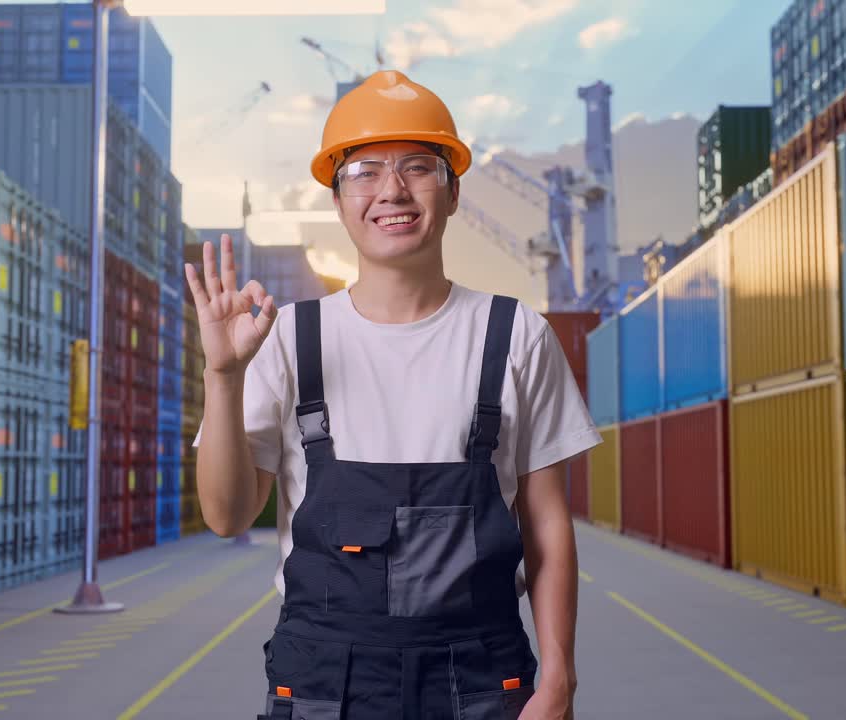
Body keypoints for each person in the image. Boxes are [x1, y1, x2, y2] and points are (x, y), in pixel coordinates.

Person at [187, 70, 600, 720]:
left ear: (454, 190)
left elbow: (547, 524)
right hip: (326, 686)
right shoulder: (290, 338)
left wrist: (560, 681)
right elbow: (227, 516)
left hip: (485, 683)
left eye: (418, 167)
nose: (392, 191)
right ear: (337, 197)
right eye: (366, 172)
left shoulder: (515, 335)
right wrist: (223, 375)